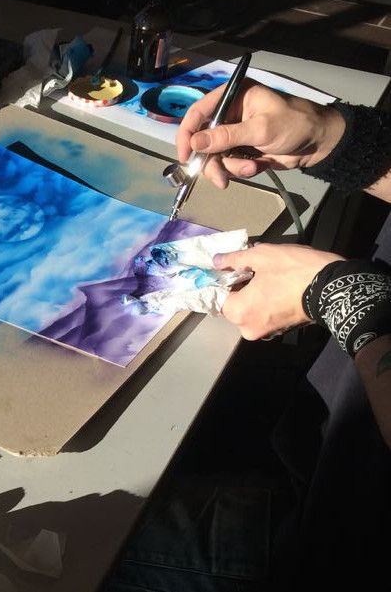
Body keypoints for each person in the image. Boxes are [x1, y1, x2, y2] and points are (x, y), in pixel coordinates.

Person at [106, 83, 391, 591]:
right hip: (321, 439)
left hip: (339, 549)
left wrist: (342, 293)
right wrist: (329, 138)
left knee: (66, 548)